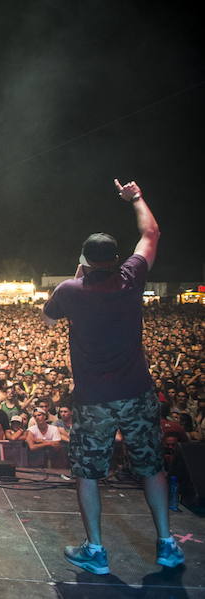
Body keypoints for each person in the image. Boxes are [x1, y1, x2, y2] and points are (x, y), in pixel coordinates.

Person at [43, 179, 183, 573]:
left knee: (88, 472)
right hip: (136, 390)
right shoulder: (132, 277)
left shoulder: (72, 289)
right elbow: (151, 232)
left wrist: (76, 275)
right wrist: (136, 197)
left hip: (93, 398)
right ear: (116, 258)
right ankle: (167, 545)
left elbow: (49, 317)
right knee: (152, 466)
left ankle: (96, 551)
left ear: (85, 261)